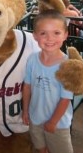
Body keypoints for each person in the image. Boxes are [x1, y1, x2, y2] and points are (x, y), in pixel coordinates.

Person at [22, 9, 73, 153]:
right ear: (35, 36)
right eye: (43, 33)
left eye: (56, 33)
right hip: (35, 117)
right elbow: (27, 87)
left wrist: (53, 122)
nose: (50, 38)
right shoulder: (32, 59)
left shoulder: (67, 65)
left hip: (58, 123)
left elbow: (65, 99)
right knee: (41, 148)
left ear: (65, 35)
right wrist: (25, 111)